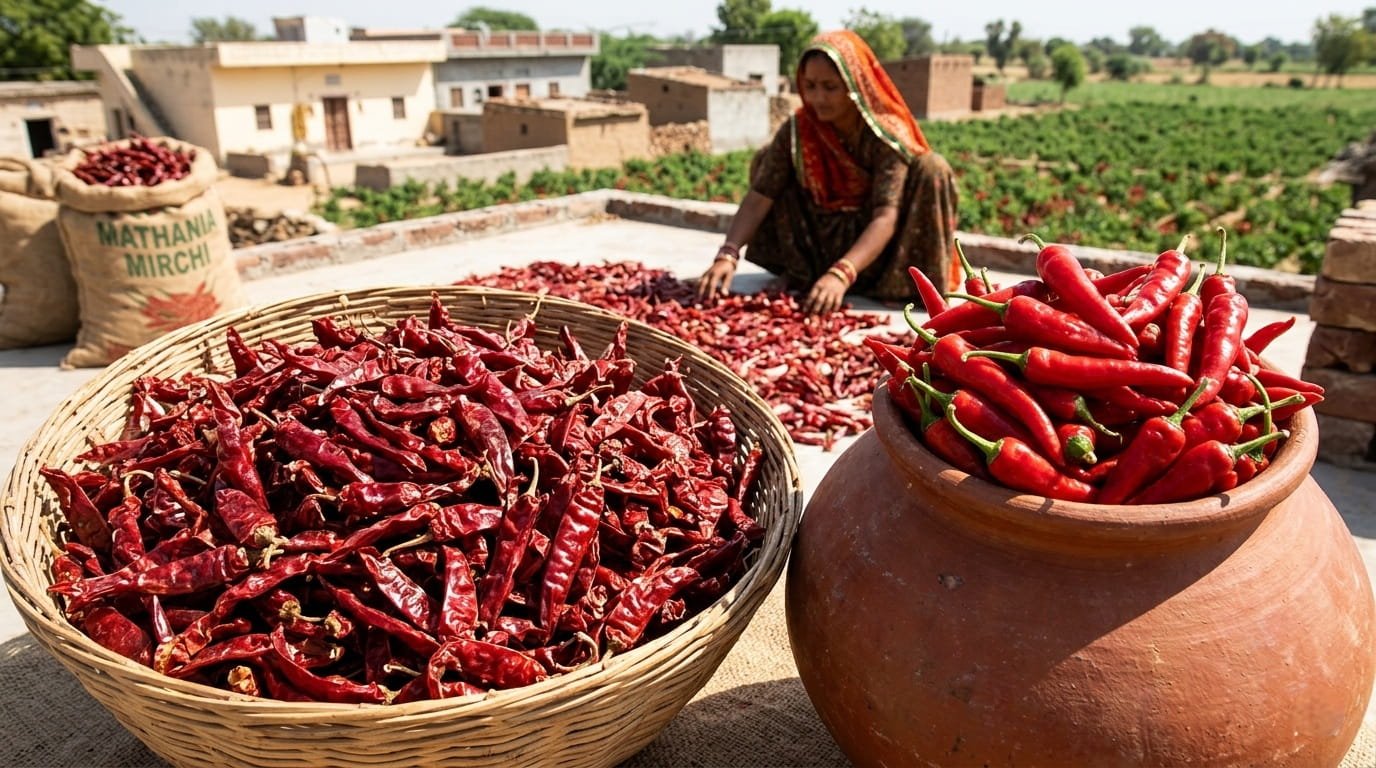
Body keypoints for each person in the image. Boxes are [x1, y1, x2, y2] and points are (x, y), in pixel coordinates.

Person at [696, 30, 960, 314]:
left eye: (830, 87)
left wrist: (842, 273)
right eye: (809, 86)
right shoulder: (801, 128)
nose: (817, 97)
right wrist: (729, 253)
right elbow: (761, 194)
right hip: (816, 246)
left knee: (933, 167)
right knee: (766, 159)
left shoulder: (884, 134)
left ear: (854, 86)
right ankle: (804, 273)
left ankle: (895, 286)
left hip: (881, 256)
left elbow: (885, 217)